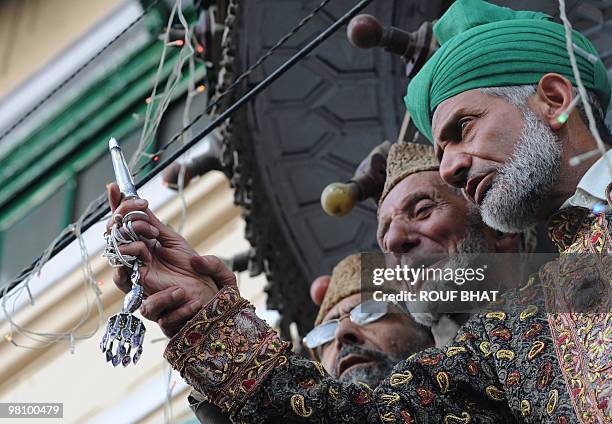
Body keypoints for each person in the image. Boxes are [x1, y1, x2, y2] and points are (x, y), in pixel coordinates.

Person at [106, 1, 610, 421]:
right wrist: (206, 316)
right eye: (440, 152)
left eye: (464, 128)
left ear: (554, 98)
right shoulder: (519, 333)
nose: (453, 166)